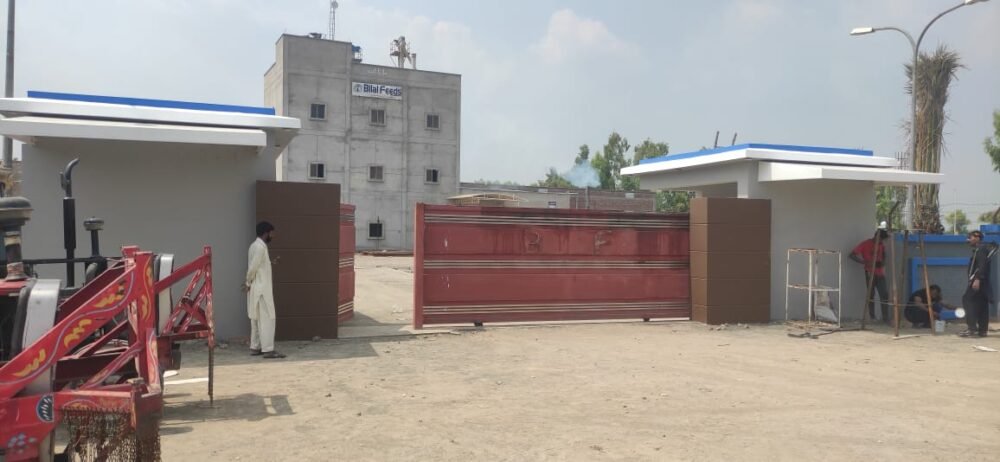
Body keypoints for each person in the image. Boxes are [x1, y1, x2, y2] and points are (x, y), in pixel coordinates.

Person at [244, 221, 285, 358]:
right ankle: (268, 349)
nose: (272, 236)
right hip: (261, 290)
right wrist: (247, 282)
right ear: (266, 233)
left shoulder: (254, 246)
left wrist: (271, 263)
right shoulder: (261, 248)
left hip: (256, 288)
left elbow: (258, 265)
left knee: (255, 319)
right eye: (271, 233)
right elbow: (253, 268)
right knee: (267, 319)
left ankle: (255, 347)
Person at [850, 228, 890, 324]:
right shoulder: (866, 244)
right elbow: (852, 255)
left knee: (884, 295)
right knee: (871, 295)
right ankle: (872, 317)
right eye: (881, 239)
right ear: (877, 236)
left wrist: (883, 261)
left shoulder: (881, 245)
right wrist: (864, 262)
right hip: (869, 272)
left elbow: (884, 254)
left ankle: (885, 318)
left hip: (880, 273)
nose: (881, 241)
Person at [960, 230, 994, 338]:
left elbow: (982, 265)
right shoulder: (980, 250)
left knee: (967, 300)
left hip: (979, 281)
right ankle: (982, 330)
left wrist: (977, 279)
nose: (968, 240)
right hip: (982, 282)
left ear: (977, 238)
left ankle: (971, 328)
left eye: (970, 238)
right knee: (982, 304)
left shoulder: (981, 250)